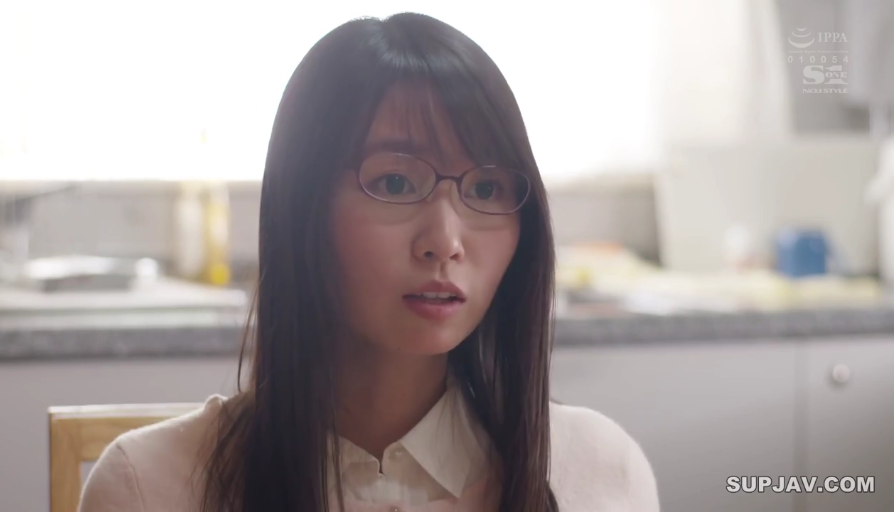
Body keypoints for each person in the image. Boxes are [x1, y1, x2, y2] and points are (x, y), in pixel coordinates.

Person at [79, 12, 659, 512]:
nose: (445, 241)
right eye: (395, 182)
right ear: (302, 206)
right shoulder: (149, 485)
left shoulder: (598, 472)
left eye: (485, 190)